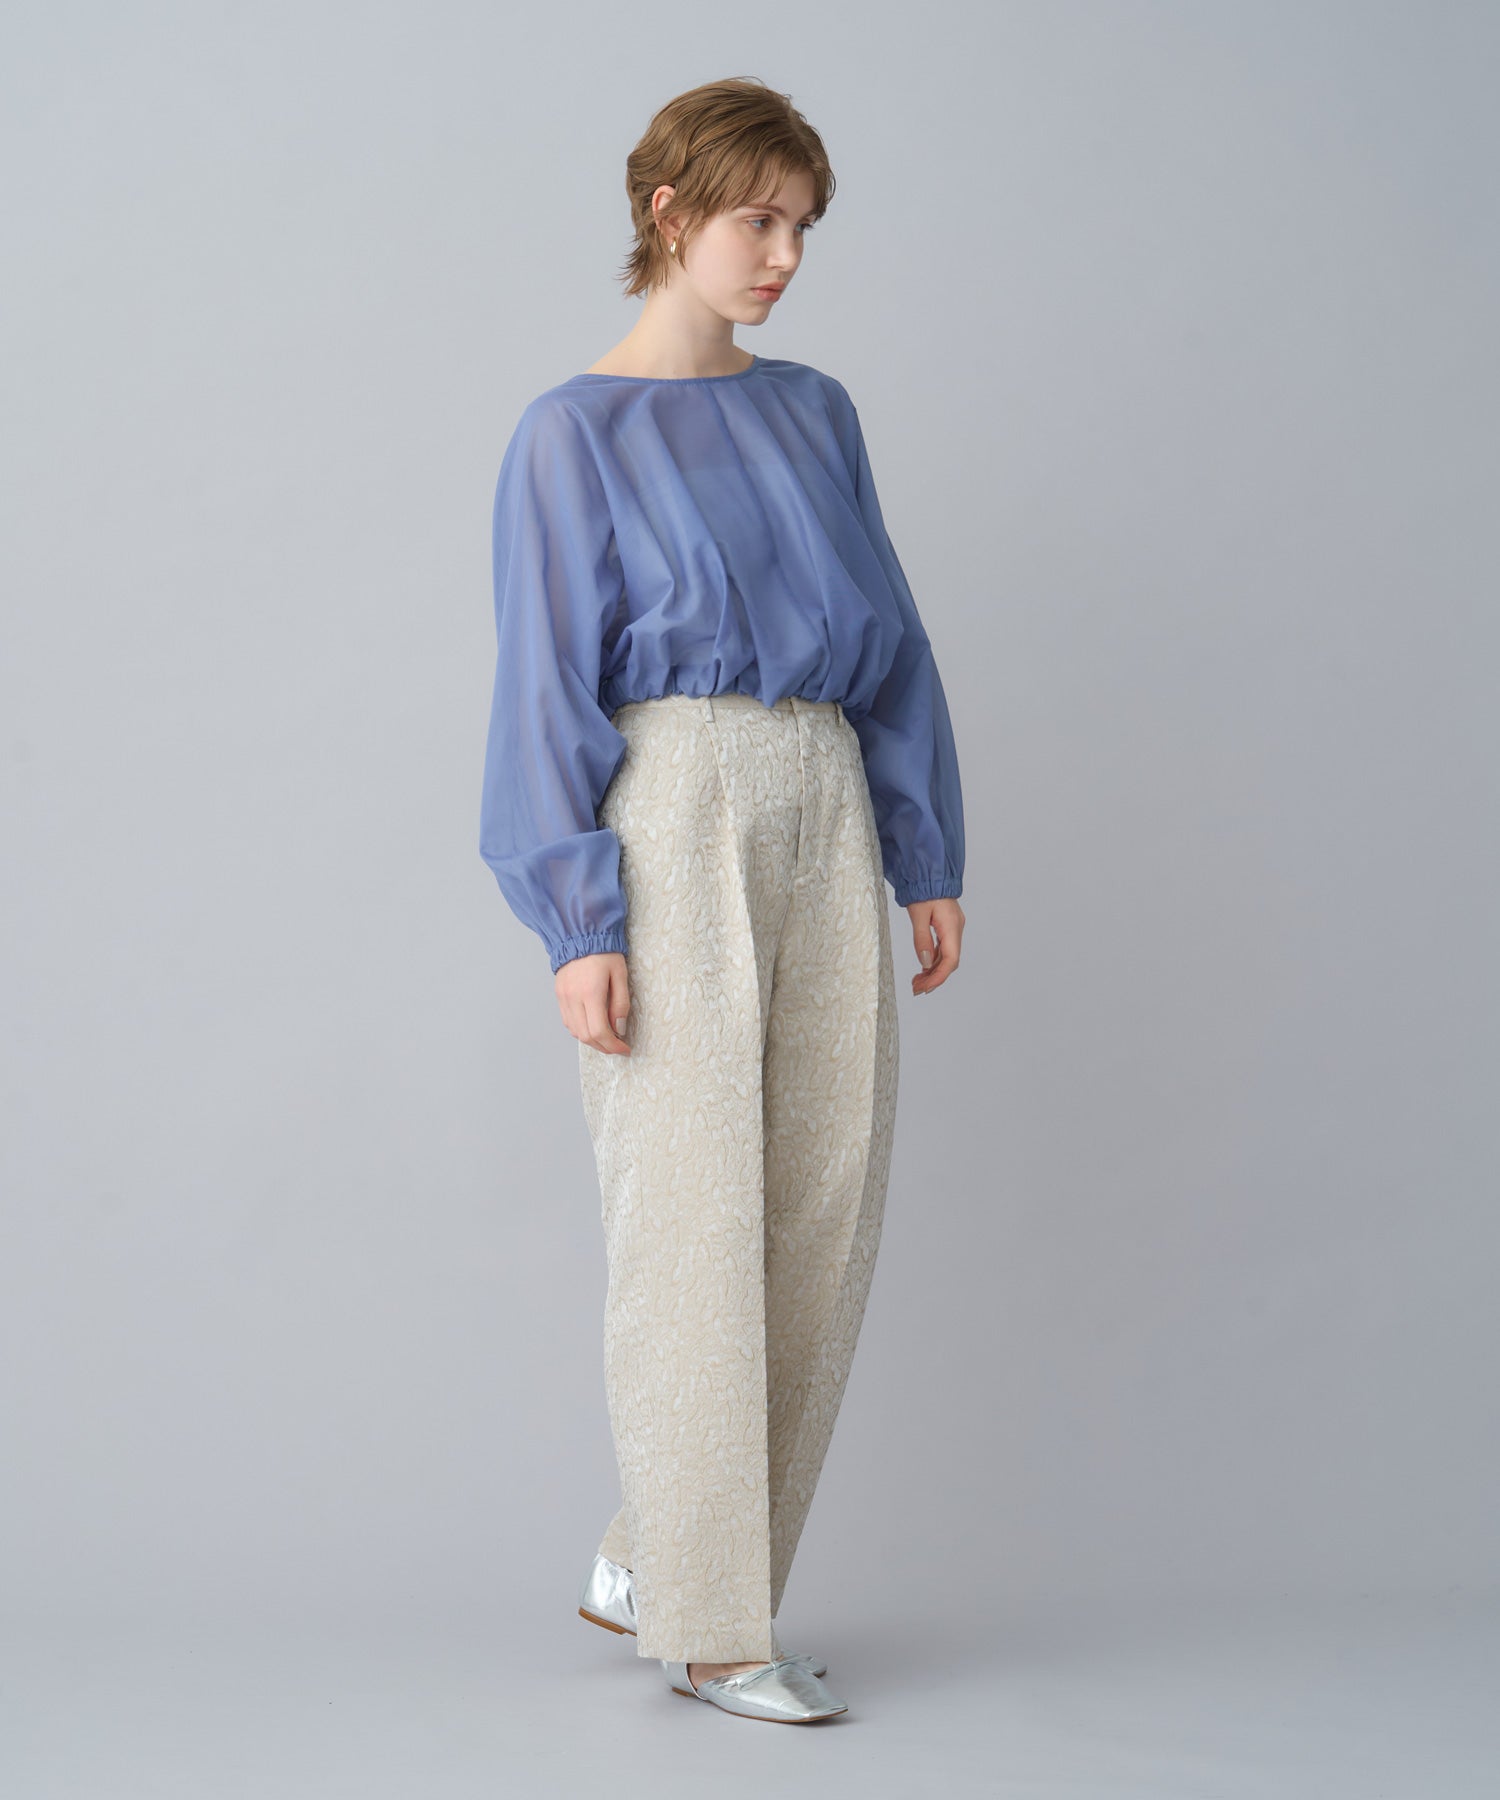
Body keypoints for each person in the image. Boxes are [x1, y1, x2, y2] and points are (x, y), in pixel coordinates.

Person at [478, 77, 966, 1724]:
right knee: (690, 1221)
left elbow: (894, 641)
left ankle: (663, 1559)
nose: (785, 255)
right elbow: (543, 687)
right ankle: (712, 1630)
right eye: (759, 218)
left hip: (826, 788)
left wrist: (925, 852)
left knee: (822, 1206)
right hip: (672, 805)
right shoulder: (571, 434)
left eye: (804, 226)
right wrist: (580, 923)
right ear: (671, 211)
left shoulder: (817, 414)